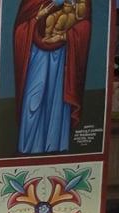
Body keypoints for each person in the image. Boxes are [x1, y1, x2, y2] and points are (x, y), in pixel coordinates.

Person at [12, 0, 90, 154]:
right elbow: (20, 28)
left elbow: (84, 24)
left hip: (62, 54)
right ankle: (27, 149)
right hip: (36, 52)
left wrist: (64, 36)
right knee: (33, 98)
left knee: (57, 99)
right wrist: (36, 17)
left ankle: (53, 147)